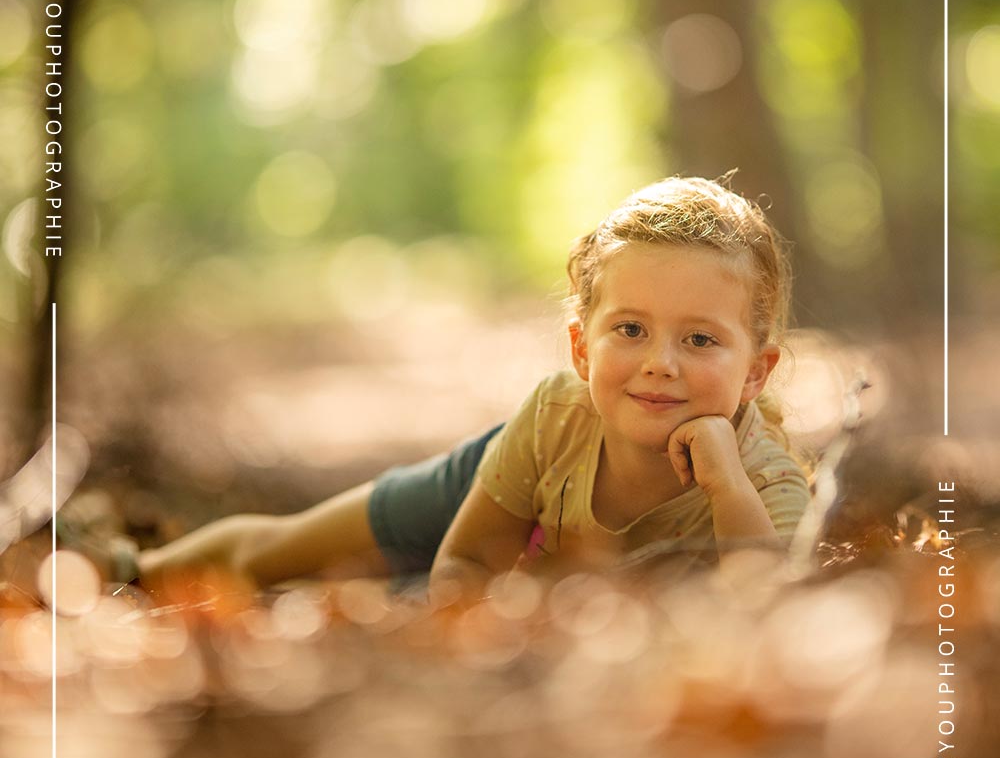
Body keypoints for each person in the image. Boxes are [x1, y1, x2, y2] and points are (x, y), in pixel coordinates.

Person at [129, 175, 810, 605]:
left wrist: (725, 486)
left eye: (699, 340)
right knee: (280, 557)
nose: (660, 363)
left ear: (756, 370)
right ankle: (134, 568)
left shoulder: (766, 480)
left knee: (384, 600)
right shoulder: (554, 412)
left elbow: (764, 605)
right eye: (630, 329)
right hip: (515, 471)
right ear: (580, 346)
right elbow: (461, 561)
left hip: (542, 576)